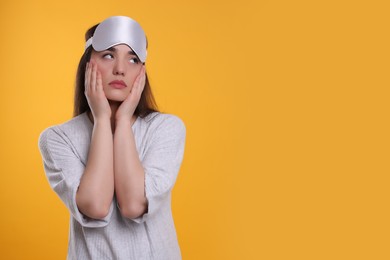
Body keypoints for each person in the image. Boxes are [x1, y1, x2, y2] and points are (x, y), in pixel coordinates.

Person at [38, 16, 186, 260]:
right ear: (88, 64)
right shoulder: (58, 138)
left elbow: (133, 204)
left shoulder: (166, 128)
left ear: (142, 72)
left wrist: (124, 118)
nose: (120, 68)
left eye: (133, 59)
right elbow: (96, 206)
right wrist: (102, 119)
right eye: (108, 55)